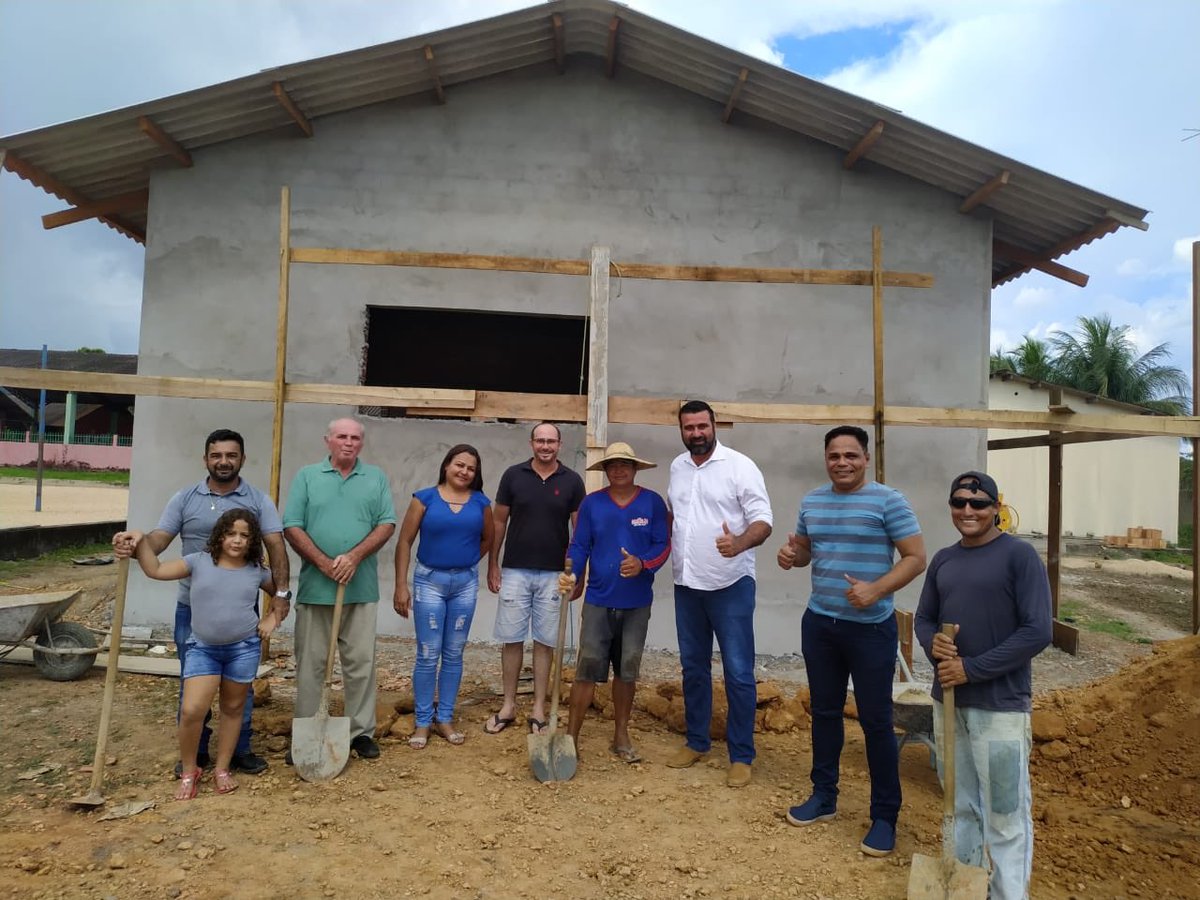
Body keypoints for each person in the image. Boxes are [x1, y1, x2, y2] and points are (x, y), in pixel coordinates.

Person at [778, 424, 925, 858]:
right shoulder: (813, 500)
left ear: (865, 459)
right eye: (834, 456)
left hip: (871, 629)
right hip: (820, 625)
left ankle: (884, 816)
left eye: (850, 455)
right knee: (824, 712)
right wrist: (791, 556)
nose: (842, 462)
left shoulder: (889, 500)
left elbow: (916, 557)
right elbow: (806, 551)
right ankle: (824, 797)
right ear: (826, 459)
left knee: (876, 721)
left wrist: (876, 590)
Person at [112, 428, 289, 777]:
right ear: (206, 459)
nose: (224, 461)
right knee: (193, 684)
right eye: (216, 455)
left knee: (240, 688)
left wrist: (280, 602)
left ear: (241, 458)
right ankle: (194, 753)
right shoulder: (185, 498)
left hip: (239, 609)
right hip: (190, 608)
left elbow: (277, 548)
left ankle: (239, 750)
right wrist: (136, 542)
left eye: (231, 455)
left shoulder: (257, 500)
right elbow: (159, 540)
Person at [915, 471, 1051, 900]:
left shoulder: (1019, 557)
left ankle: (1010, 895)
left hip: (1001, 709)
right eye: (959, 502)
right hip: (949, 705)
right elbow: (923, 618)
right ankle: (965, 888)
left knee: (1006, 816)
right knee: (958, 806)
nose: (967, 511)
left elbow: (1037, 631)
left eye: (978, 503)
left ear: (996, 509)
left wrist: (971, 670)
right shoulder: (943, 559)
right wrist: (933, 643)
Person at [129, 510, 278, 799]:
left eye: (244, 535)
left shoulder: (256, 571)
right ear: (220, 535)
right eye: (231, 533)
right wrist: (140, 542)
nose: (237, 540)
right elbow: (155, 570)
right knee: (192, 710)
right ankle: (189, 770)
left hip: (243, 648)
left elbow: (282, 592)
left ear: (252, 541)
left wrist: (273, 618)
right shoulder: (198, 562)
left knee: (233, 709)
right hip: (203, 648)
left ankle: (222, 768)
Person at [665, 400, 773, 788]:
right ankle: (697, 741)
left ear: (714, 426)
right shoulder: (677, 468)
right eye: (689, 427)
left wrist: (740, 543)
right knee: (693, 668)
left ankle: (741, 754)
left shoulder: (740, 466)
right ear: (681, 430)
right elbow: (676, 517)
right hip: (687, 585)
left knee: (739, 672)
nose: (696, 433)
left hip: (730, 586)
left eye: (702, 426)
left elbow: (764, 521)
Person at [283, 417, 396, 762]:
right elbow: (292, 525)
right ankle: (307, 730)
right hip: (317, 589)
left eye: (355, 438)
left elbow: (386, 523)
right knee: (311, 664)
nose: (349, 442)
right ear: (328, 440)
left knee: (360, 663)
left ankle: (360, 732)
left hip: (359, 588)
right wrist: (322, 562)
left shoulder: (375, 478)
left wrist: (354, 557)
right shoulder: (307, 476)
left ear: (361, 444)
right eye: (342, 437)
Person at [560, 442, 670, 762]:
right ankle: (572, 737)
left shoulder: (651, 503)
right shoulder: (593, 504)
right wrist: (572, 574)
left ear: (635, 469)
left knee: (627, 671)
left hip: (636, 603)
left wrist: (643, 563)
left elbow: (663, 545)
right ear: (605, 471)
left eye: (625, 464)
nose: (619, 469)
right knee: (586, 670)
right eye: (613, 465)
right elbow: (579, 545)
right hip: (598, 599)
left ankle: (621, 734)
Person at [485, 422, 585, 735]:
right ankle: (509, 705)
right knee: (511, 639)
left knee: (545, 641)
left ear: (560, 444)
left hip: (555, 574)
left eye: (550, 441)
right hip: (515, 569)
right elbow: (498, 523)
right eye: (540, 441)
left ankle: (540, 707)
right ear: (531, 444)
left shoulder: (572, 481)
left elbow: (579, 531)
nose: (545, 446)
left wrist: (578, 572)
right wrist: (493, 564)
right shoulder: (513, 476)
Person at [394, 444, 494, 749]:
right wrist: (401, 585)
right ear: (447, 465)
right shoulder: (423, 499)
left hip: (464, 584)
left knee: (454, 653)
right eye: (459, 465)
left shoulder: (481, 502)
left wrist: (465, 561)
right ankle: (423, 721)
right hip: (429, 582)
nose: (464, 471)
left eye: (471, 468)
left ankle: (445, 717)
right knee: (428, 653)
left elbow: (489, 538)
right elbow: (405, 542)